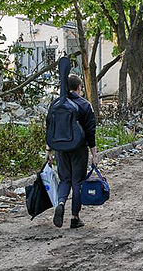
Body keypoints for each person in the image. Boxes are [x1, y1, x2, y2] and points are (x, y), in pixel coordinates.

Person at [45, 74, 97, 229]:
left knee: (64, 180)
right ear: (79, 87)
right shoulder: (85, 105)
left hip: (60, 148)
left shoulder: (55, 104)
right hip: (78, 148)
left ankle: (60, 203)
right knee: (77, 182)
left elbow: (50, 128)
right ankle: (74, 217)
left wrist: (49, 150)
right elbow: (90, 131)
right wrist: (94, 154)